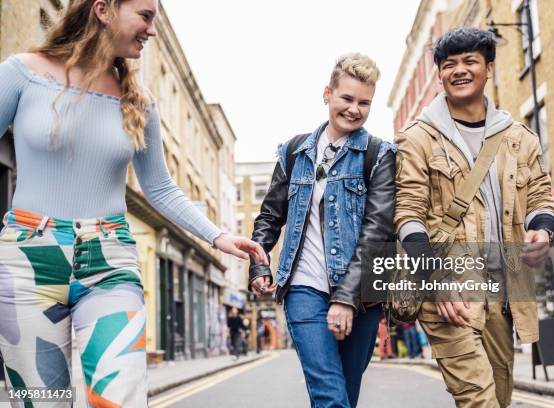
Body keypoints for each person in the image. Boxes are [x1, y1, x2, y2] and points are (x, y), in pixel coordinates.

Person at [0, 1, 267, 406]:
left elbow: (159, 188)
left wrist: (218, 237)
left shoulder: (138, 103)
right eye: (145, 16)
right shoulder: (22, 73)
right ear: (104, 10)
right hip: (27, 257)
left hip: (109, 260)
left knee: (120, 398)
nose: (152, 30)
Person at [394, 27, 554, 407]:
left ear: (489, 67)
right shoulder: (418, 138)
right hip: (448, 290)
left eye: (470, 61)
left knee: (499, 398)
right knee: (478, 400)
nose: (459, 70)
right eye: (449, 64)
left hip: (503, 289)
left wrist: (542, 229)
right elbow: (407, 214)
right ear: (440, 75)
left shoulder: (518, 137)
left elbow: (540, 196)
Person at [249, 53, 396, 408]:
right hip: (303, 287)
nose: (354, 109)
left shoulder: (378, 155)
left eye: (365, 102)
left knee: (345, 394)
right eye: (347, 98)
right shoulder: (293, 152)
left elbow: (377, 232)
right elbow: (270, 215)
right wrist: (259, 263)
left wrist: (347, 297)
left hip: (363, 295)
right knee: (331, 396)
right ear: (327, 93)